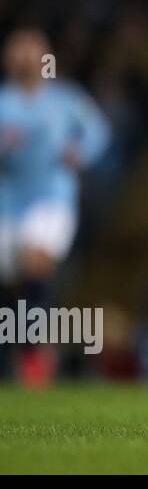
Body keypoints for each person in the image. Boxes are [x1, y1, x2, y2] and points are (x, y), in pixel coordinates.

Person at [0, 28, 110, 384]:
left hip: (52, 199)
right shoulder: (4, 102)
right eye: (19, 50)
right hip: (8, 203)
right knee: (14, 282)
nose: (26, 57)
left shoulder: (64, 98)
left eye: (33, 51)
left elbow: (98, 131)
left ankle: (32, 355)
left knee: (36, 262)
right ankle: (25, 349)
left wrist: (80, 152)